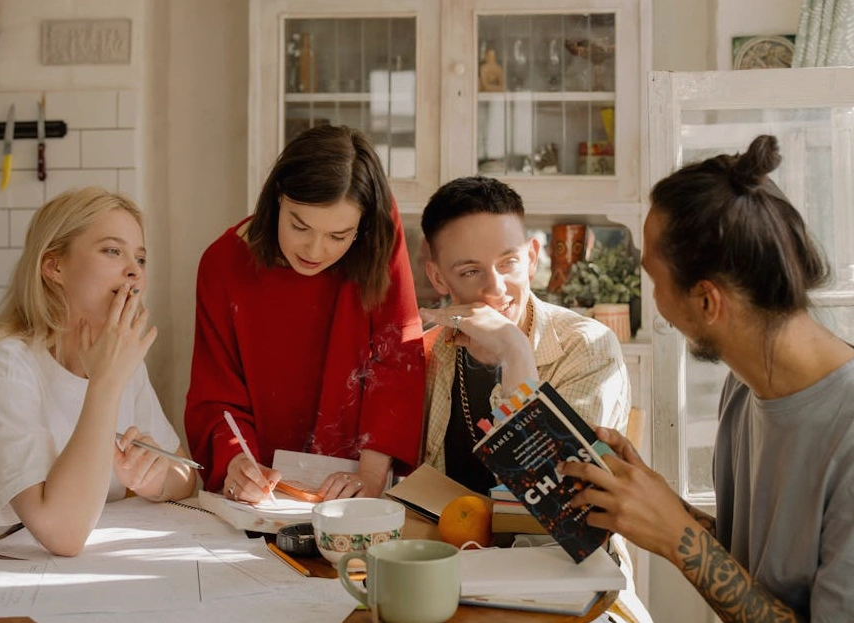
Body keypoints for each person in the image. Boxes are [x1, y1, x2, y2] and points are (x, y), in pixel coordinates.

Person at [560, 135, 854, 623]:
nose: (654, 301)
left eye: (654, 280)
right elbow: (762, 571)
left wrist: (678, 537)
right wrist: (655, 502)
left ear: (707, 301)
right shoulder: (745, 385)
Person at [0, 188, 196, 622]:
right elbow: (63, 531)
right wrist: (104, 384)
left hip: (68, 572)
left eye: (140, 259)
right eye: (112, 251)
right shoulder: (3, 367)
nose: (134, 273)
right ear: (54, 266)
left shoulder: (118, 358)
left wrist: (153, 478)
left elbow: (185, 475)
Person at [184, 125, 425, 504]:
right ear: (277, 198)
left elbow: (397, 357)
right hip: (264, 495)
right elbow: (216, 396)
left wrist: (371, 476)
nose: (315, 250)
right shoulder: (222, 265)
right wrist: (235, 464)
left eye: (339, 235)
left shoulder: (378, 236)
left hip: (357, 480)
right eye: (300, 225)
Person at [417, 176, 630, 494]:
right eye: (470, 271)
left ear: (531, 258)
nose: (495, 289)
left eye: (508, 263)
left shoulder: (588, 347)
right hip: (448, 542)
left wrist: (514, 351)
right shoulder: (432, 351)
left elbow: (556, 497)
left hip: (547, 544)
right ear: (438, 277)